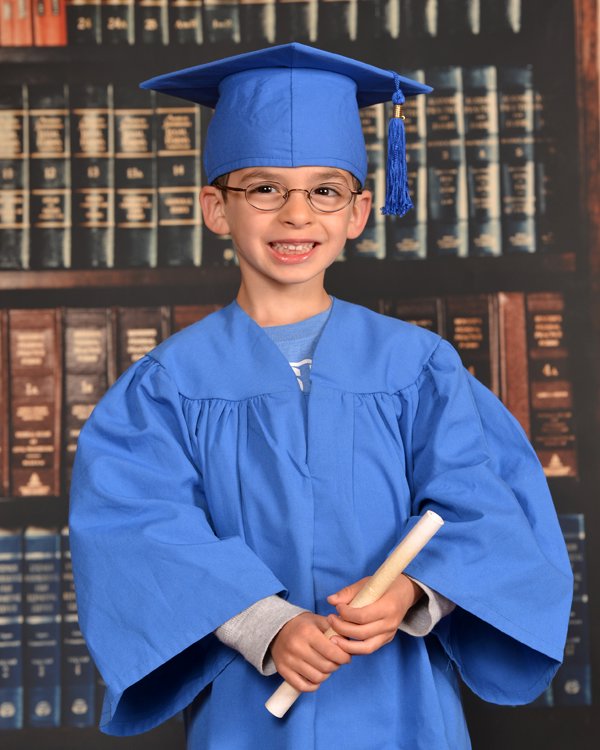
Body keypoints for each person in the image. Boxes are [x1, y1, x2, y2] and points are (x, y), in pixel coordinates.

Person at [69, 43, 573, 750]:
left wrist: (414, 593)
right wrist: (266, 627)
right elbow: (137, 529)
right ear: (216, 208)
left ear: (359, 211)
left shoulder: (417, 366)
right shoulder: (168, 386)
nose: (296, 215)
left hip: (402, 705)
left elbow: (487, 504)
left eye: (325, 191)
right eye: (265, 189)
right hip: (250, 710)